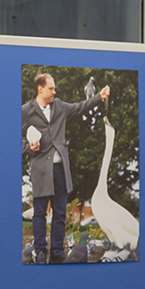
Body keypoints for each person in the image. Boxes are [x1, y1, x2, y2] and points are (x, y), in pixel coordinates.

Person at [21, 73, 109, 263]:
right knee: (39, 213)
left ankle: (58, 252)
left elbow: (79, 107)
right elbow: (15, 138)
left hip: (61, 169)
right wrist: (29, 147)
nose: (55, 91)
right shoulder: (25, 111)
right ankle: (41, 251)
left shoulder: (59, 106)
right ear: (40, 89)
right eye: (51, 88)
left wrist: (99, 97)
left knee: (60, 213)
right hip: (40, 169)